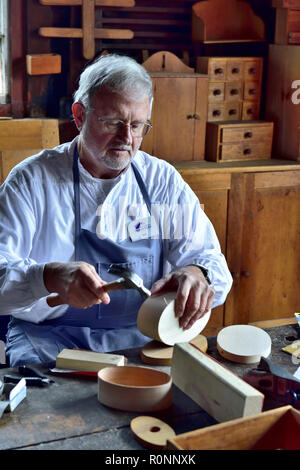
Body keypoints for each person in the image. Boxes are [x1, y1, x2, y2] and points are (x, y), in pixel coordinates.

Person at [0, 54, 232, 366]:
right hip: (50, 339)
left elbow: (213, 266)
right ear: (79, 115)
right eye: (113, 122)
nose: (127, 139)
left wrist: (197, 274)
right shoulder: (31, 182)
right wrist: (48, 277)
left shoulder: (161, 182)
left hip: (143, 339)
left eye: (137, 125)